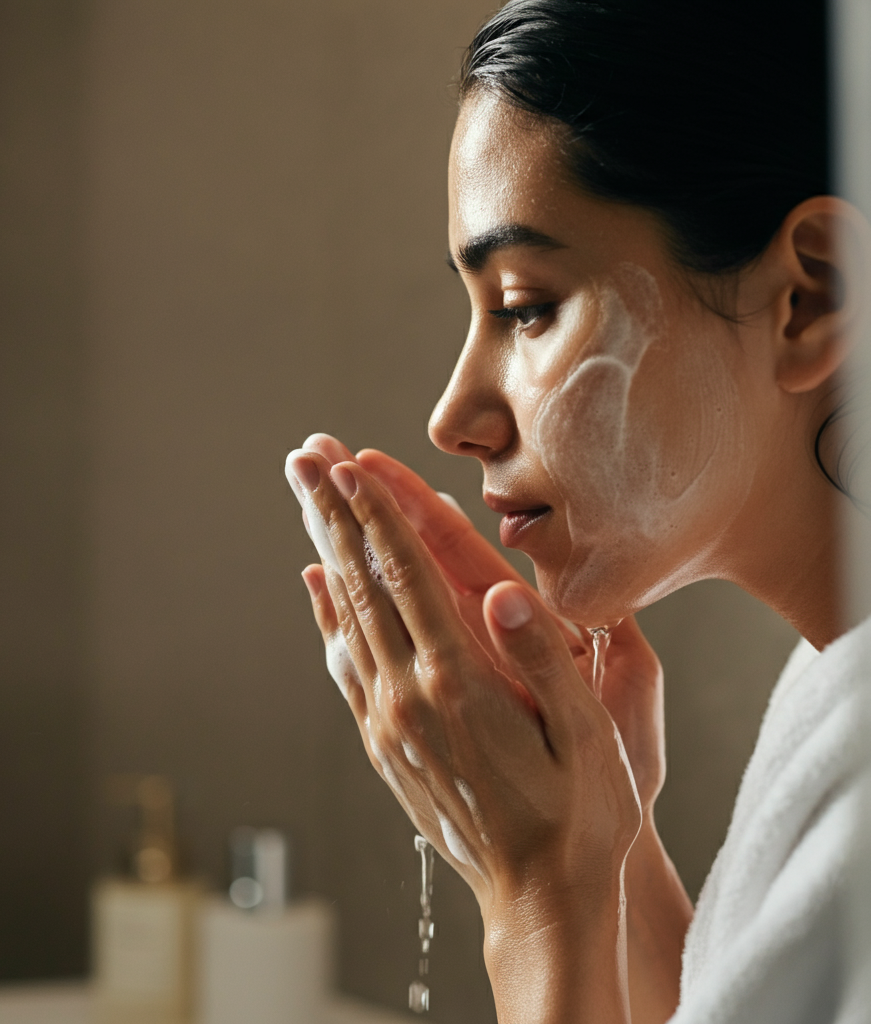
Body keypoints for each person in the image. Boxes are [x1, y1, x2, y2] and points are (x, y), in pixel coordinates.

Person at [283, 1, 870, 1021]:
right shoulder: (834, 687)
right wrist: (611, 853)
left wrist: (537, 896)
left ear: (810, 295)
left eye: (524, 306)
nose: (451, 416)